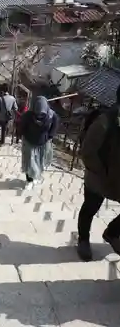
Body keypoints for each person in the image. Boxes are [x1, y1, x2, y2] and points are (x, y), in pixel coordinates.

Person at [76, 85, 120, 261]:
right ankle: (83, 240)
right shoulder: (104, 121)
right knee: (90, 208)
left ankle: (112, 232)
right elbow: (88, 151)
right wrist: (102, 173)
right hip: (99, 177)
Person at [19, 96, 59, 190]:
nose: (39, 115)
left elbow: (54, 127)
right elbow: (22, 127)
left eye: (42, 113)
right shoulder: (27, 115)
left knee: (39, 161)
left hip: (43, 143)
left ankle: (36, 176)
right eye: (37, 112)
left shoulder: (52, 115)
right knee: (30, 162)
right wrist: (24, 136)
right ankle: (29, 180)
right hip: (29, 141)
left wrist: (49, 136)